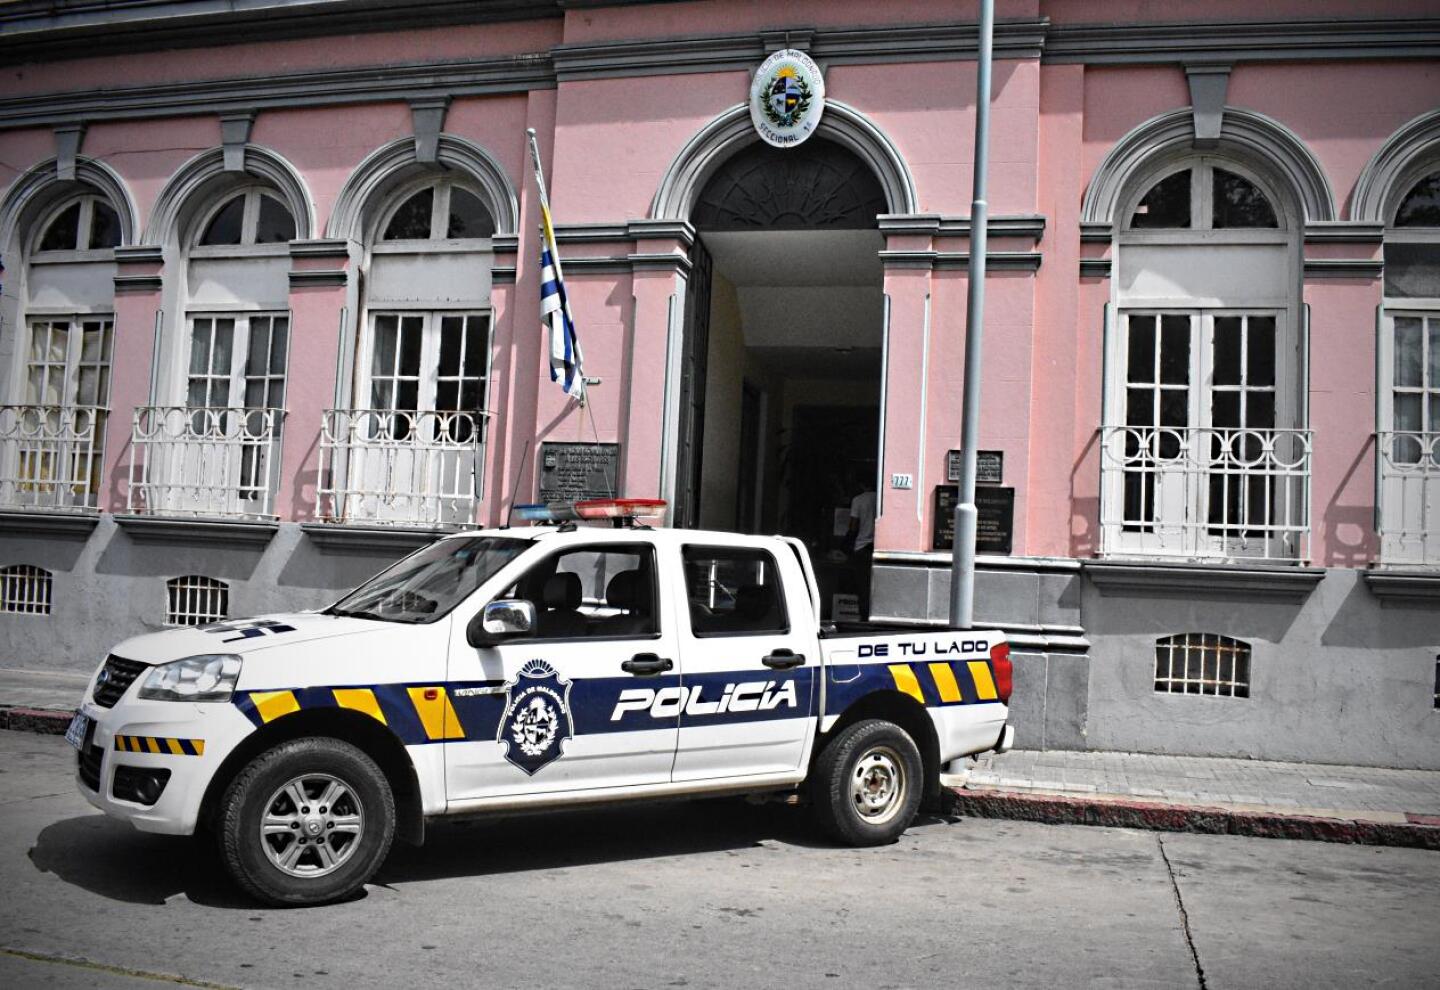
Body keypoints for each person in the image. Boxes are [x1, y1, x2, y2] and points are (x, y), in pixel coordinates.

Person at [845, 474, 877, 620]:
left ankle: (863, 617)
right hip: (876, 548)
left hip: (861, 547)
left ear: (861, 484)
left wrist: (846, 544)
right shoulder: (880, 498)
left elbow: (853, 525)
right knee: (874, 586)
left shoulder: (858, 500)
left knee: (862, 586)